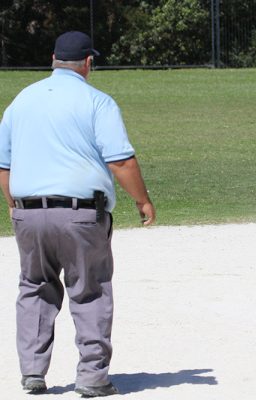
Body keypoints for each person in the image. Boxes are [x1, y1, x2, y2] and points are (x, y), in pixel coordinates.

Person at [0, 31, 156, 396]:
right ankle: (91, 378)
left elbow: (3, 166)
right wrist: (142, 201)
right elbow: (120, 160)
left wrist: (13, 204)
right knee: (91, 291)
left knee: (35, 288)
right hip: (81, 215)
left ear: (53, 58)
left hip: (28, 213)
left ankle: (33, 372)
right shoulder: (97, 101)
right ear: (88, 63)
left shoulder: (21, 100)